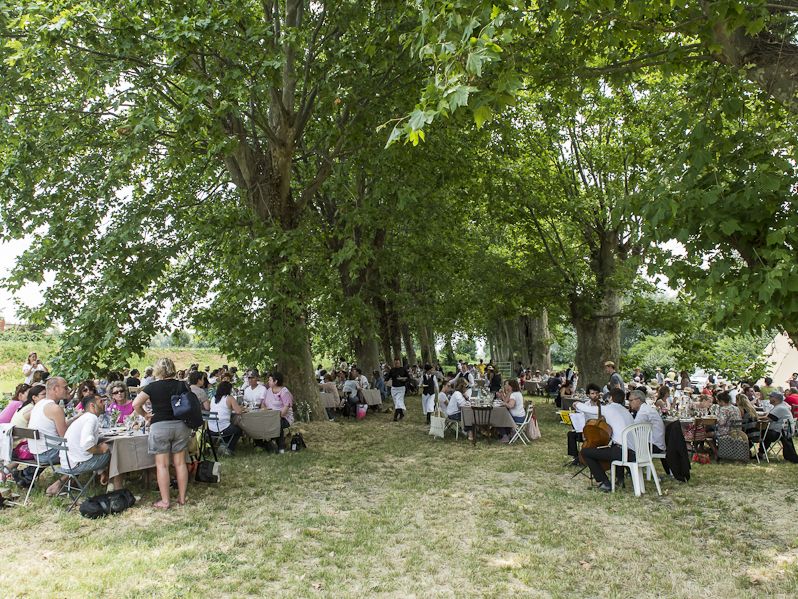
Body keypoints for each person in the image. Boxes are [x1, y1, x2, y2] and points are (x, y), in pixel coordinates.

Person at [133, 357, 192, 509]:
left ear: (157, 369)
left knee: (162, 465)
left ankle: (165, 501)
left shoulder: (152, 387)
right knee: (180, 463)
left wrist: (145, 415)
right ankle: (182, 498)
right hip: (181, 425)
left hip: (160, 426)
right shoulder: (182, 385)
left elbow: (135, 404)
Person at [56, 394, 120, 491]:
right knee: (113, 449)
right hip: (76, 464)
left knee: (104, 447)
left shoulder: (84, 418)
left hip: (68, 462)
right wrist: (101, 450)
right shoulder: (91, 418)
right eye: (100, 402)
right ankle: (115, 487)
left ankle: (103, 476)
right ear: (92, 405)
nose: (104, 404)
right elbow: (87, 445)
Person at [577, 388, 635, 492]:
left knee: (585, 452)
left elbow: (590, 409)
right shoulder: (626, 412)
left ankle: (603, 482)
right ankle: (619, 479)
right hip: (633, 453)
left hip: (621, 452)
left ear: (611, 398)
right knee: (615, 447)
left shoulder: (609, 408)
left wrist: (577, 404)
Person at [28, 377, 70, 495]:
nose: (68, 390)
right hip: (48, 454)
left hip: (36, 452)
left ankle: (72, 481)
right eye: (65, 387)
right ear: (55, 389)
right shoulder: (55, 408)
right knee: (85, 450)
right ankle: (59, 484)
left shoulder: (39, 404)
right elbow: (65, 436)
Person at [628, 389, 669, 475]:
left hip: (654, 445)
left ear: (638, 400)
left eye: (631, 400)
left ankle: (632, 471)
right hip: (656, 442)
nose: (629, 402)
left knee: (626, 446)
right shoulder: (646, 409)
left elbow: (632, 429)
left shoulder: (643, 412)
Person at [567, 383, 602, 465]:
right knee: (571, 434)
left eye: (597, 393)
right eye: (592, 393)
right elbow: (579, 415)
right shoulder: (586, 404)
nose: (595, 395)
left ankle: (588, 457)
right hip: (586, 431)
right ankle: (576, 457)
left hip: (598, 432)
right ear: (588, 395)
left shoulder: (603, 405)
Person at [760, 391, 798, 462]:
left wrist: (755, 417)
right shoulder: (782, 406)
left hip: (780, 433)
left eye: (770, 397)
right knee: (764, 433)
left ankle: (759, 453)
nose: (769, 399)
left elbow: (767, 418)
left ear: (775, 399)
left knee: (757, 433)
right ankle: (760, 453)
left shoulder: (780, 408)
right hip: (784, 432)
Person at [261, 372, 294, 453]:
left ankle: (281, 448)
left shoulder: (284, 392)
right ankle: (264, 444)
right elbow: (263, 404)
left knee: (277, 423)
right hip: (269, 416)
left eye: (270, 380)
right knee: (260, 422)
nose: (268, 382)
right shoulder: (268, 391)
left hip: (284, 418)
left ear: (275, 382)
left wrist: (274, 416)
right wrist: (264, 410)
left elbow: (285, 410)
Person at [208, 381, 243, 454]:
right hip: (222, 428)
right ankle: (228, 448)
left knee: (229, 426)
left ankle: (223, 445)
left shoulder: (213, 398)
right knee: (238, 430)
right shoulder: (229, 398)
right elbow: (238, 411)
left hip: (211, 428)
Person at [497, 379, 526, 443]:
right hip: (522, 417)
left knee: (498, 419)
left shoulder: (513, 395)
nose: (507, 387)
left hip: (517, 418)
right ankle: (509, 434)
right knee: (503, 417)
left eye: (508, 385)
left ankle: (505, 436)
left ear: (511, 386)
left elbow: (511, 406)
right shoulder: (519, 393)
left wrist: (504, 404)